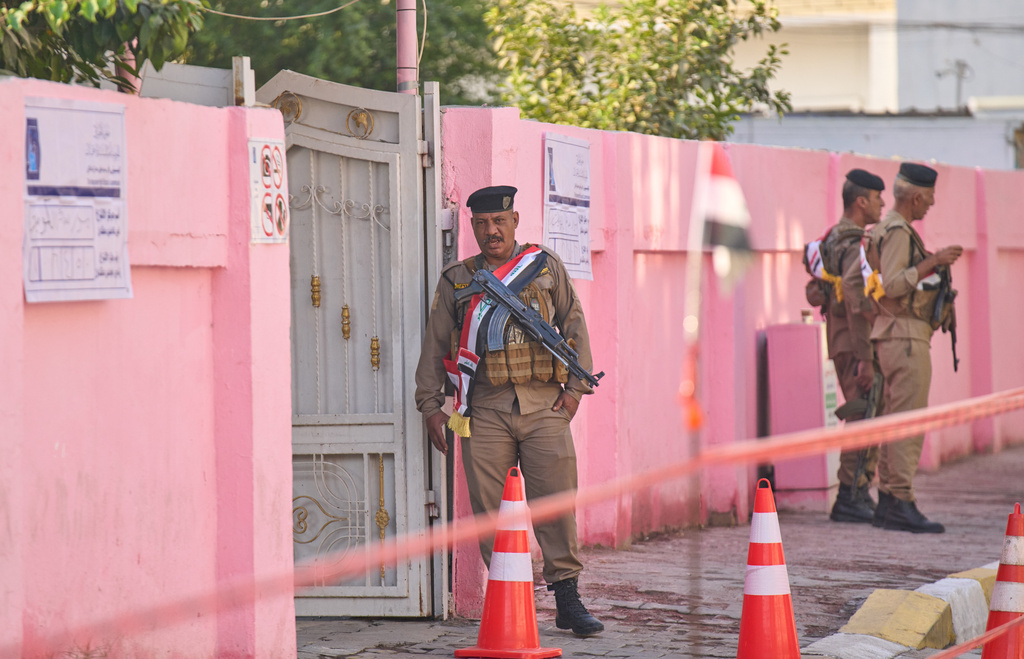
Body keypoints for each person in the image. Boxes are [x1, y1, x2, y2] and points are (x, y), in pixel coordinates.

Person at [414, 185, 604, 636]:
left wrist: (575, 391)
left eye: (499, 222)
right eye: (481, 224)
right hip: (483, 409)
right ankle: (509, 598)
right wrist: (430, 406)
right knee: (491, 512)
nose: (491, 231)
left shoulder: (543, 267)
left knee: (556, 503)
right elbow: (435, 344)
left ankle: (567, 599)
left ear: (515, 221)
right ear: (474, 228)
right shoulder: (458, 280)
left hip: (543, 404)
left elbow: (573, 325)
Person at [868, 163, 962, 533]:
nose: (930, 207)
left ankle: (889, 501)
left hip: (897, 334)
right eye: (930, 200)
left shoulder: (888, 228)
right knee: (908, 422)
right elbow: (893, 284)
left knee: (894, 420)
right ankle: (901, 500)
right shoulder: (896, 231)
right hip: (903, 336)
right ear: (917, 197)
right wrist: (933, 262)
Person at [816, 169, 886, 524]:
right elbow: (858, 303)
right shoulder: (857, 242)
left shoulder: (832, 237)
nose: (882, 205)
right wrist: (866, 360)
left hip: (839, 338)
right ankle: (850, 495)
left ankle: (857, 492)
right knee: (863, 412)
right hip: (855, 342)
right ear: (861, 201)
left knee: (864, 412)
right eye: (877, 199)